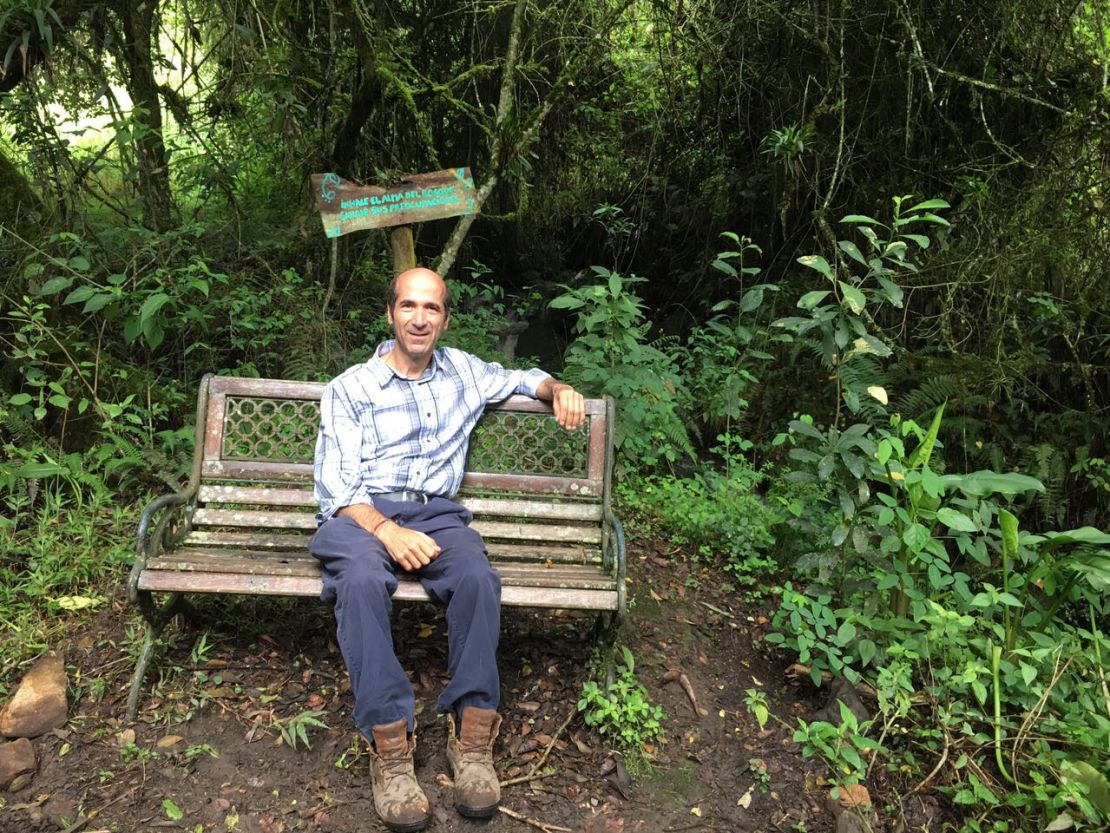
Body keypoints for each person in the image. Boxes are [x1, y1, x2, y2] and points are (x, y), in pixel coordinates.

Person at [311, 266, 585, 833]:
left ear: (444, 318)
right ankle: (389, 748)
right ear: (390, 314)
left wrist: (557, 388)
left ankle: (473, 737)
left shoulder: (463, 371)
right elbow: (337, 491)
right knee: (361, 581)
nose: (419, 318)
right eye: (408, 306)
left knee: (478, 579)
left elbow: (520, 378)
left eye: (431, 308)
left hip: (436, 513)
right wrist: (386, 531)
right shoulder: (350, 389)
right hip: (359, 515)